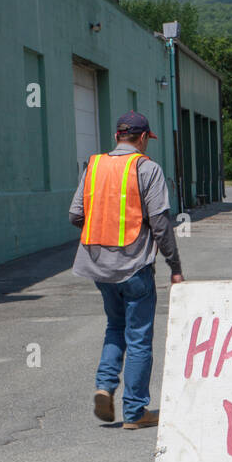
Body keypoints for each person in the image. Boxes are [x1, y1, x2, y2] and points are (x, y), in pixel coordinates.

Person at [70, 111, 184, 429]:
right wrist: (174, 266)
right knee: (139, 338)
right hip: (134, 266)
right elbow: (160, 225)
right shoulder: (147, 168)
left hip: (98, 266)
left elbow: (75, 215)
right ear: (144, 138)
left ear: (117, 136)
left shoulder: (93, 166)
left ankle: (105, 387)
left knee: (115, 327)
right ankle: (135, 412)